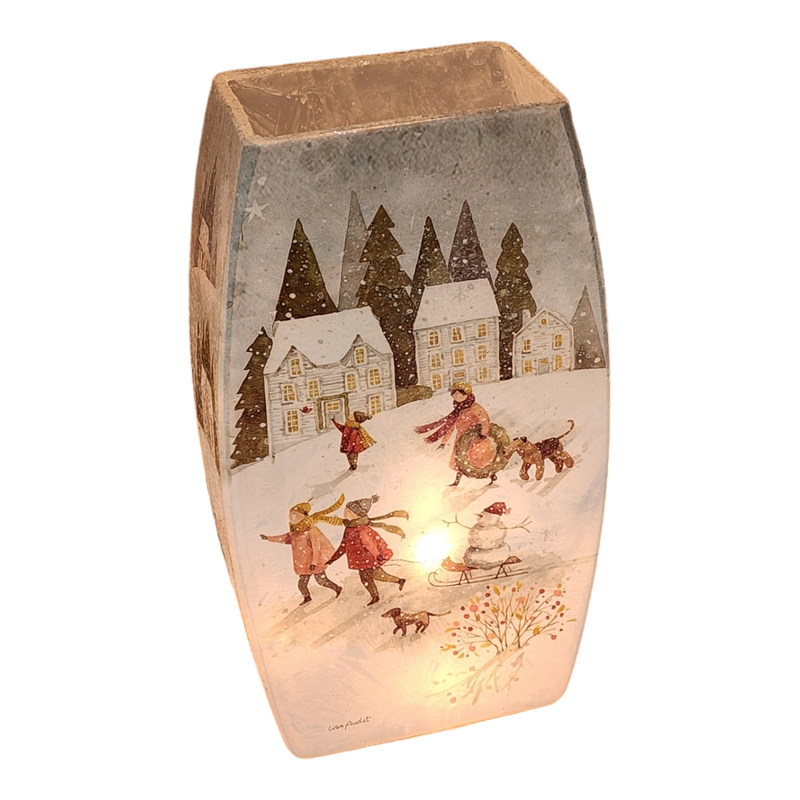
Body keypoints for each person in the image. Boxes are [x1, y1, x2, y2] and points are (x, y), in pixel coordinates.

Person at [325, 495, 408, 606]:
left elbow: (370, 544)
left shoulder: (361, 529)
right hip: (360, 560)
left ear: (357, 514)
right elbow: (343, 545)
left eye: (349, 511)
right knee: (365, 578)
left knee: (377, 575)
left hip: (369, 558)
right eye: (346, 509)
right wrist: (333, 559)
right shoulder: (349, 528)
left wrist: (377, 555)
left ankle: (398, 581)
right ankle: (375, 596)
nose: (345, 512)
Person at [261, 496, 344, 606]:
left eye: (295, 514)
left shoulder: (312, 531)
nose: (292, 517)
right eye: (291, 514)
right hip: (304, 564)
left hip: (315, 563)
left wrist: (314, 563)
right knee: (302, 584)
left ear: (303, 516)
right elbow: (284, 538)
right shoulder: (294, 533)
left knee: (322, 581)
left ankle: (337, 588)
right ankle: (307, 598)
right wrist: (268, 538)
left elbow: (316, 548)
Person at [415, 381, 502, 486]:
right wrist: (443, 442)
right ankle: (457, 481)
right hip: (461, 439)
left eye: (458, 394)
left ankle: (492, 476)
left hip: (476, 438)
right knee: (460, 460)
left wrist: (483, 433)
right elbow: (450, 427)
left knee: (478, 459)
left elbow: (484, 420)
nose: (455, 396)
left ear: (465, 394)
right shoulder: (457, 410)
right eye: (454, 394)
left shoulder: (474, 407)